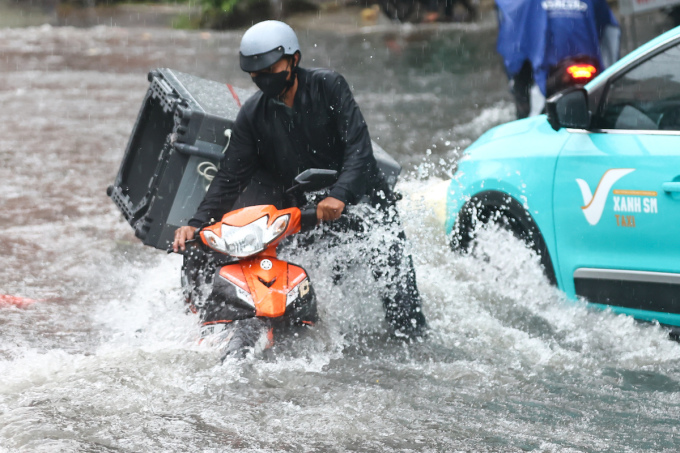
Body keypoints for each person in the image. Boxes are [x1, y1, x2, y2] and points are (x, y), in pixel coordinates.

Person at [172, 20, 426, 339]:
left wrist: (341, 194)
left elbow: (359, 147)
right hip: (307, 212)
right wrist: (196, 223)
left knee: (399, 294)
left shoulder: (328, 86)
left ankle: (411, 341)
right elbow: (229, 177)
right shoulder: (253, 114)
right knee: (288, 279)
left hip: (362, 202)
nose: (263, 77)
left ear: (294, 60)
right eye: (255, 73)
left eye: (270, 68)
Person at [495, 0, 620, 118]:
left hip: (550, 68)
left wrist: (514, 70)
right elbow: (609, 28)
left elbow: (514, 36)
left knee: (524, 96)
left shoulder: (527, 5)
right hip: (588, 61)